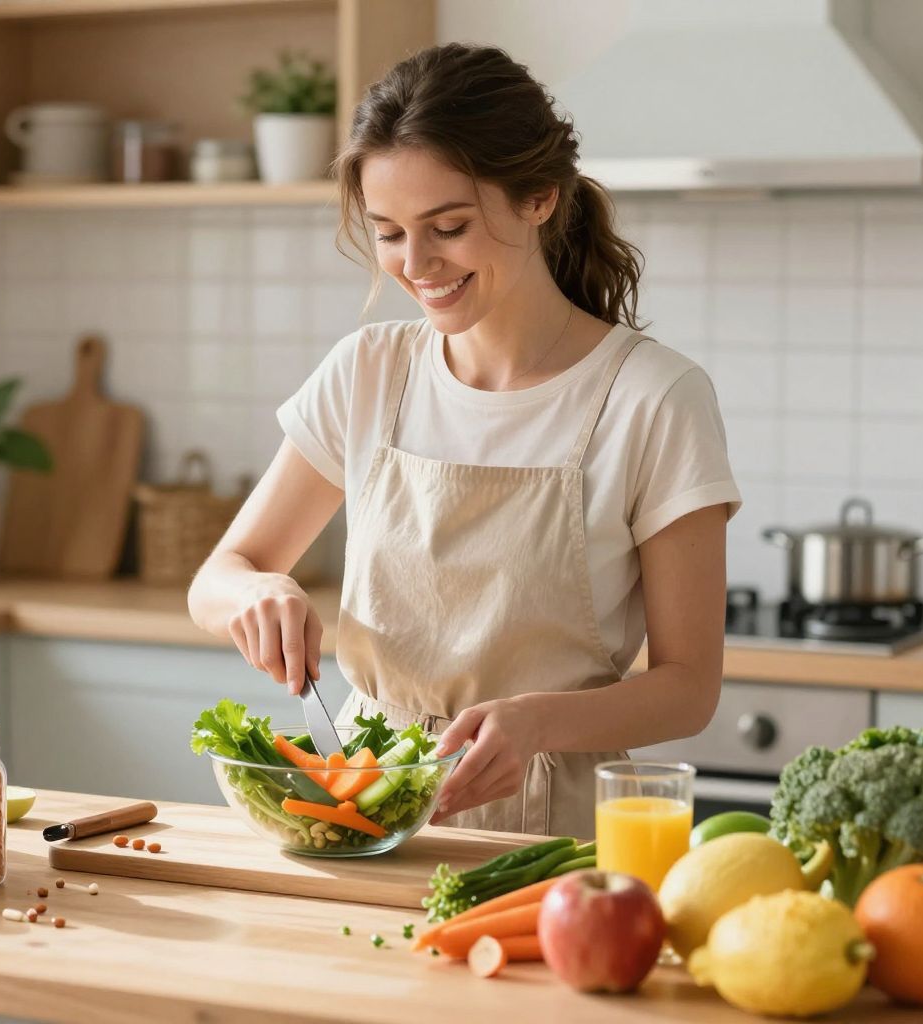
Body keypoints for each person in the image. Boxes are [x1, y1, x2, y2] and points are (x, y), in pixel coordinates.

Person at [187, 43, 741, 840]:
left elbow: (690, 688)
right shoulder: (368, 370)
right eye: (388, 233)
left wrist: (538, 723)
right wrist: (256, 594)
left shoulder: (652, 398)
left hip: (548, 840)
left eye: (448, 227)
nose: (417, 266)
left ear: (540, 198)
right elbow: (219, 576)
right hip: (360, 805)